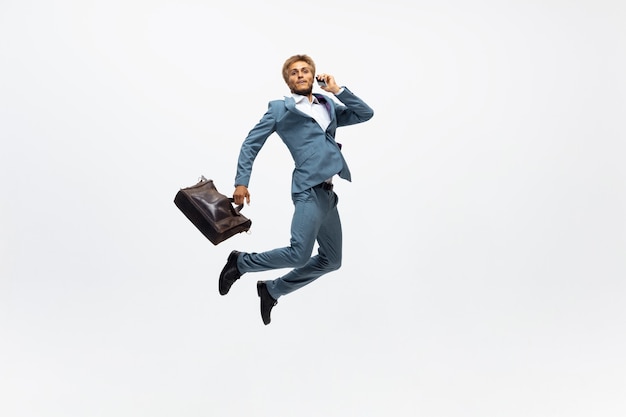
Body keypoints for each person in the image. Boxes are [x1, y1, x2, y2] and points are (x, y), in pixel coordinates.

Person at [218, 54, 374, 325]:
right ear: (288, 80)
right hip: (307, 190)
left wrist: (337, 90)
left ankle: (272, 289)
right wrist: (241, 182)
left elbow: (365, 113)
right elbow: (250, 143)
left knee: (332, 260)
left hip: (328, 195)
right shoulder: (281, 109)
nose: (300, 75)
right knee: (299, 254)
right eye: (293, 72)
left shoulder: (328, 105)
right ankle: (241, 263)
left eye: (305, 71)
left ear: (313, 76)